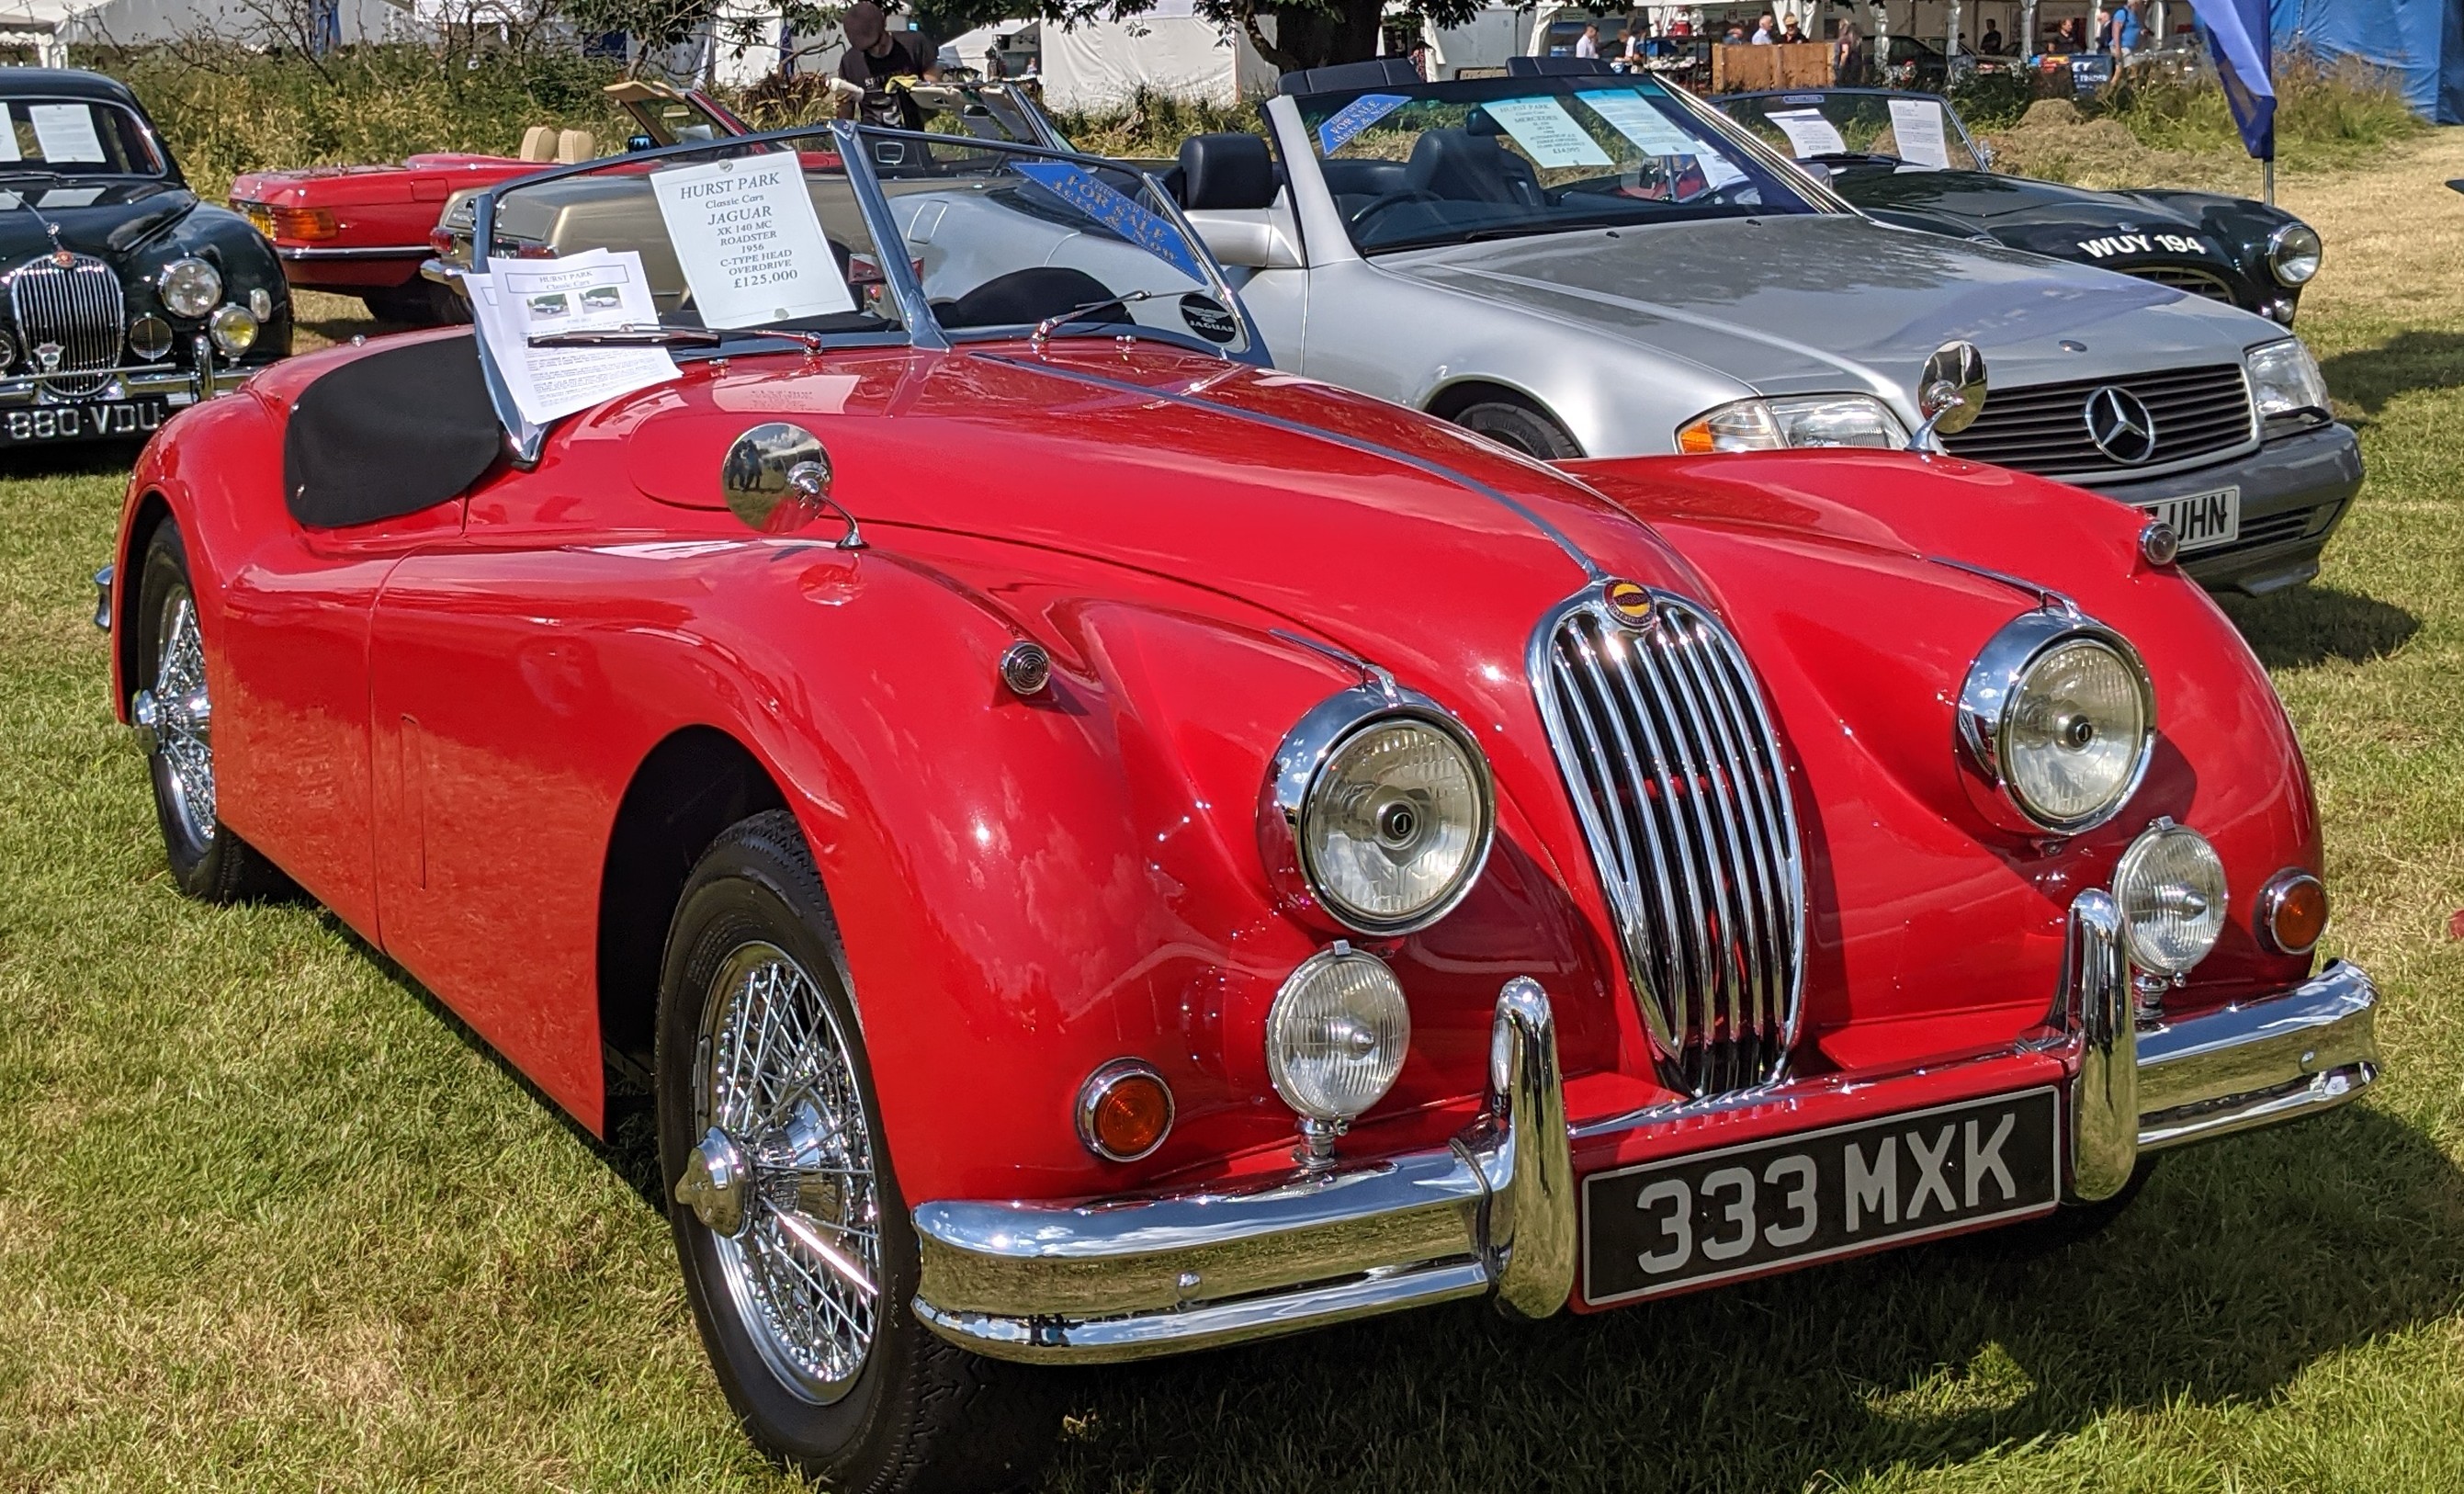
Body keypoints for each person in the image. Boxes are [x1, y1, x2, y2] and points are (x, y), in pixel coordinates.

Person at [837, 1, 929, 127]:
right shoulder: (850, 61)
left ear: (885, 24)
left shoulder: (913, 44)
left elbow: (933, 92)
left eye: (878, 43)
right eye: (868, 49)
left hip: (913, 139)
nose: (876, 50)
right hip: (873, 140)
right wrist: (843, 102)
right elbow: (845, 120)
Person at [1832, 14, 1861, 80]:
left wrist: (1840, 66)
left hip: (1846, 69)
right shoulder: (1855, 39)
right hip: (1856, 67)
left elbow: (1845, 53)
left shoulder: (1844, 39)